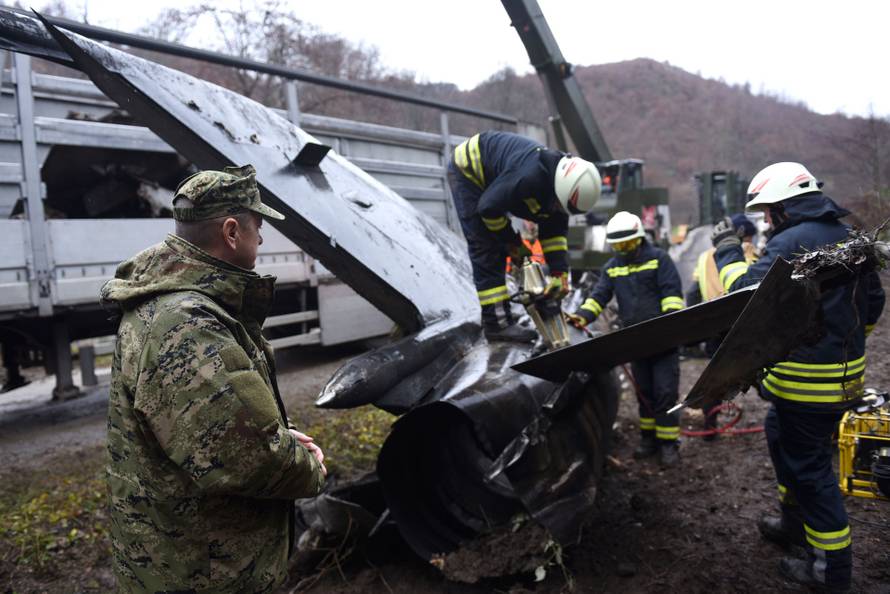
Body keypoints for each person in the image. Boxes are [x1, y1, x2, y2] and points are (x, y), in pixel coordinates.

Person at [101, 164, 327, 593]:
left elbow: (213, 425)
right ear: (231, 232)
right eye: (257, 226)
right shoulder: (187, 324)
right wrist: (307, 466)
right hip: (204, 570)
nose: (261, 239)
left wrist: (284, 436)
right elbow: (245, 457)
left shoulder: (176, 306)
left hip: (182, 555)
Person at [712, 162, 885, 591]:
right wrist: (847, 342)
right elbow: (875, 302)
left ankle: (830, 572)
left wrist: (727, 251)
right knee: (779, 438)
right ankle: (794, 525)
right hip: (836, 380)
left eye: (770, 211)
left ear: (786, 208)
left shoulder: (790, 241)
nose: (768, 220)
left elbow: (743, 298)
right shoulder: (850, 236)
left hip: (807, 386)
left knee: (811, 472)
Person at [447, 131, 601, 342]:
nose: (557, 209)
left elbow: (554, 234)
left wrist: (559, 273)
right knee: (488, 247)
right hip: (470, 172)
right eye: (558, 204)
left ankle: (501, 319)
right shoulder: (528, 177)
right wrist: (513, 243)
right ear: (558, 190)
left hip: (496, 182)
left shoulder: (560, 188)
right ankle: (497, 325)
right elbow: (488, 209)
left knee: (504, 240)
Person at [569, 211, 685, 466]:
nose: (623, 250)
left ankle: (668, 444)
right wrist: (581, 317)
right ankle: (649, 439)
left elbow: (671, 293)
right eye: (618, 246)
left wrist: (671, 322)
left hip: (663, 342)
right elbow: (598, 296)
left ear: (639, 240)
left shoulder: (659, 260)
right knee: (644, 392)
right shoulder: (612, 268)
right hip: (637, 344)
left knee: (665, 392)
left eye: (627, 244)